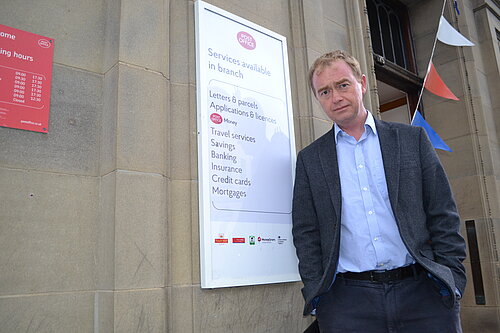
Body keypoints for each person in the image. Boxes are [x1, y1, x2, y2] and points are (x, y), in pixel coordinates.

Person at [292, 50, 466, 333]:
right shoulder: (311, 159)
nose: (335, 97)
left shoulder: (411, 140)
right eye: (324, 91)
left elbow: (443, 212)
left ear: (361, 83)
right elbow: (305, 231)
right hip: (348, 304)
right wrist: (319, 295)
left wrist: (452, 279)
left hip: (423, 294)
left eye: (342, 85)